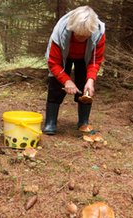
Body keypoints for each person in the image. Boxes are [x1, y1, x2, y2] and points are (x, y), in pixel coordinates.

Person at [43, 6, 106, 135]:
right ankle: (50, 122)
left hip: (85, 58)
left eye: (85, 36)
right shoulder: (60, 31)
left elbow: (95, 60)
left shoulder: (98, 32)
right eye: (78, 34)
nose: (81, 38)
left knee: (85, 87)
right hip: (62, 57)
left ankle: (83, 122)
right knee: (56, 85)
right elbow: (53, 63)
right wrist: (66, 81)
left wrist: (90, 80)